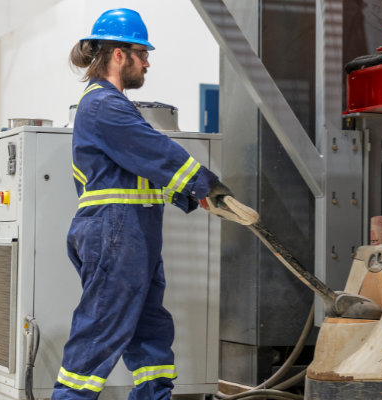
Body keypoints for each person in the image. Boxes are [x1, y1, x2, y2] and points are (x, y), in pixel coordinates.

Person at [53, 9, 255, 400]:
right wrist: (205, 185)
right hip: (115, 231)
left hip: (132, 230)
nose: (147, 62)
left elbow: (141, 169)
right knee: (102, 327)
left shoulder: (114, 104)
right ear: (118, 55)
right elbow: (154, 151)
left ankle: (154, 395)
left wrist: (192, 196)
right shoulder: (103, 104)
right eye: (142, 53)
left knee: (150, 328)